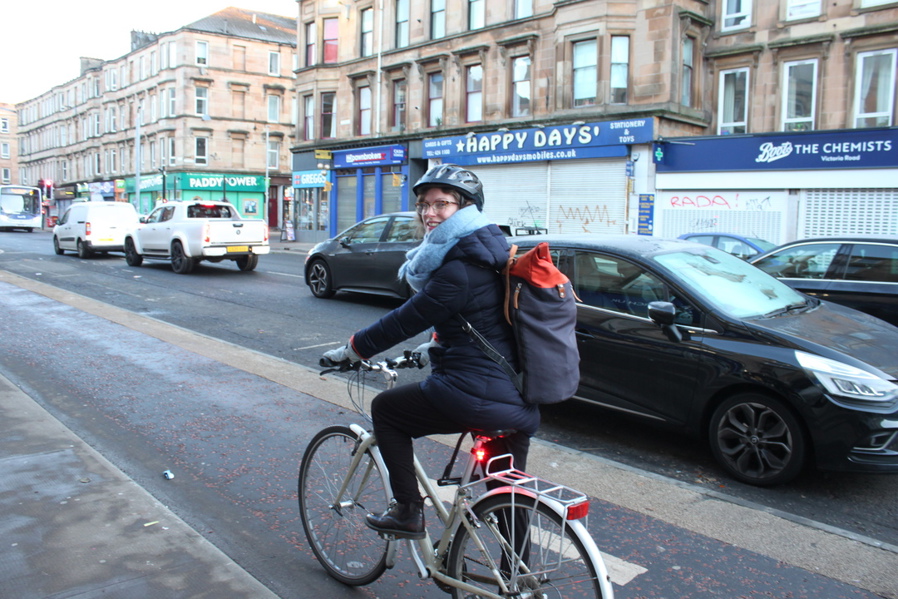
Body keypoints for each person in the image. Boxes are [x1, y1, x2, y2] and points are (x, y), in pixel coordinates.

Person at [322, 164, 539, 539]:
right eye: (424, 204)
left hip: (475, 395)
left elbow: (403, 320)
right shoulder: (490, 254)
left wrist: (352, 350)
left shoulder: (459, 268)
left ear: (466, 208)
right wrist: (434, 347)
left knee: (387, 411)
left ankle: (407, 511)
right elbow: (481, 320)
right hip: (517, 397)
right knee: (508, 492)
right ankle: (518, 579)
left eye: (442, 204)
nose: (429, 213)